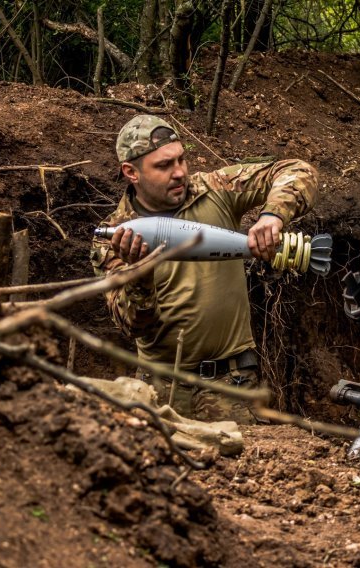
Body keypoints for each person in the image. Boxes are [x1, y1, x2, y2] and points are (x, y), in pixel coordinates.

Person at [90, 115, 319, 423]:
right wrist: (139, 275)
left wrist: (273, 215)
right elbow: (133, 326)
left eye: (182, 159)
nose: (179, 172)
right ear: (131, 172)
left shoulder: (216, 189)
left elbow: (298, 170)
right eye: (163, 166)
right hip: (160, 390)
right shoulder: (115, 238)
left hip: (231, 383)